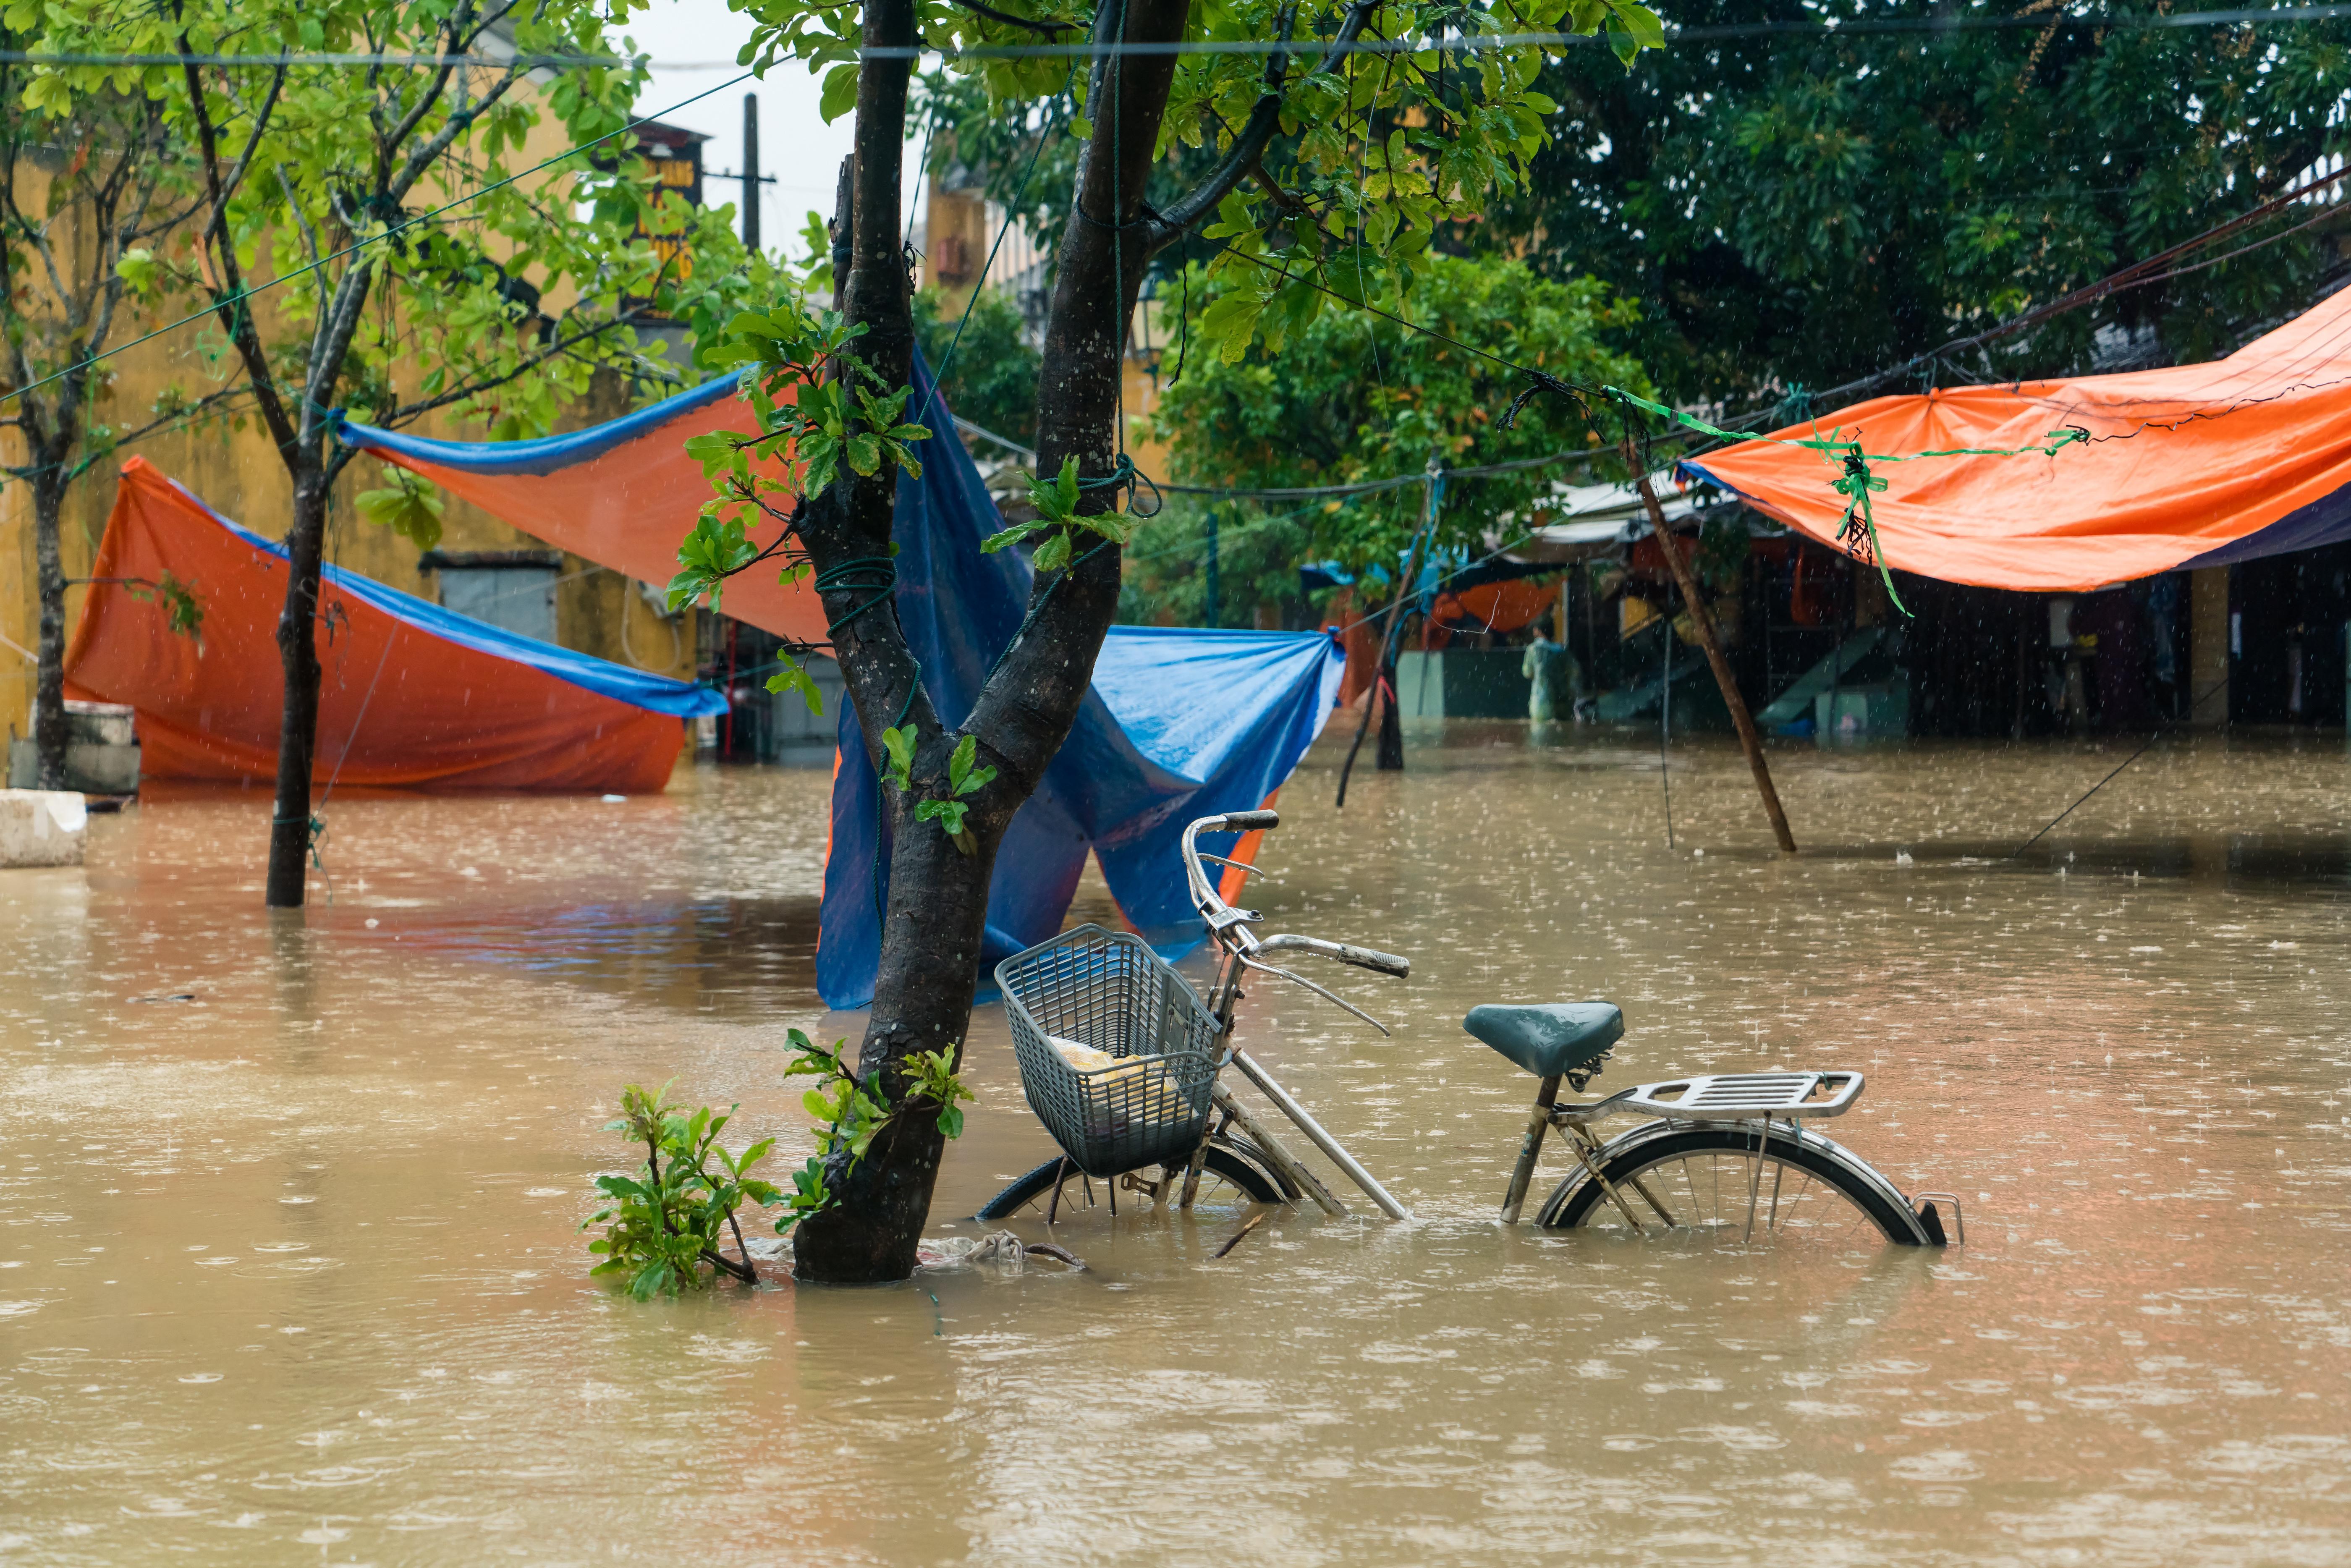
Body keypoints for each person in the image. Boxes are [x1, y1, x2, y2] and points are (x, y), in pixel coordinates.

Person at [1523, 633, 1567, 722]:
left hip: (1539, 702)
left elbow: (1527, 673)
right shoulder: (1560, 650)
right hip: (1561, 700)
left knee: (1539, 729)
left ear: (1537, 631)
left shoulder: (1532, 649)